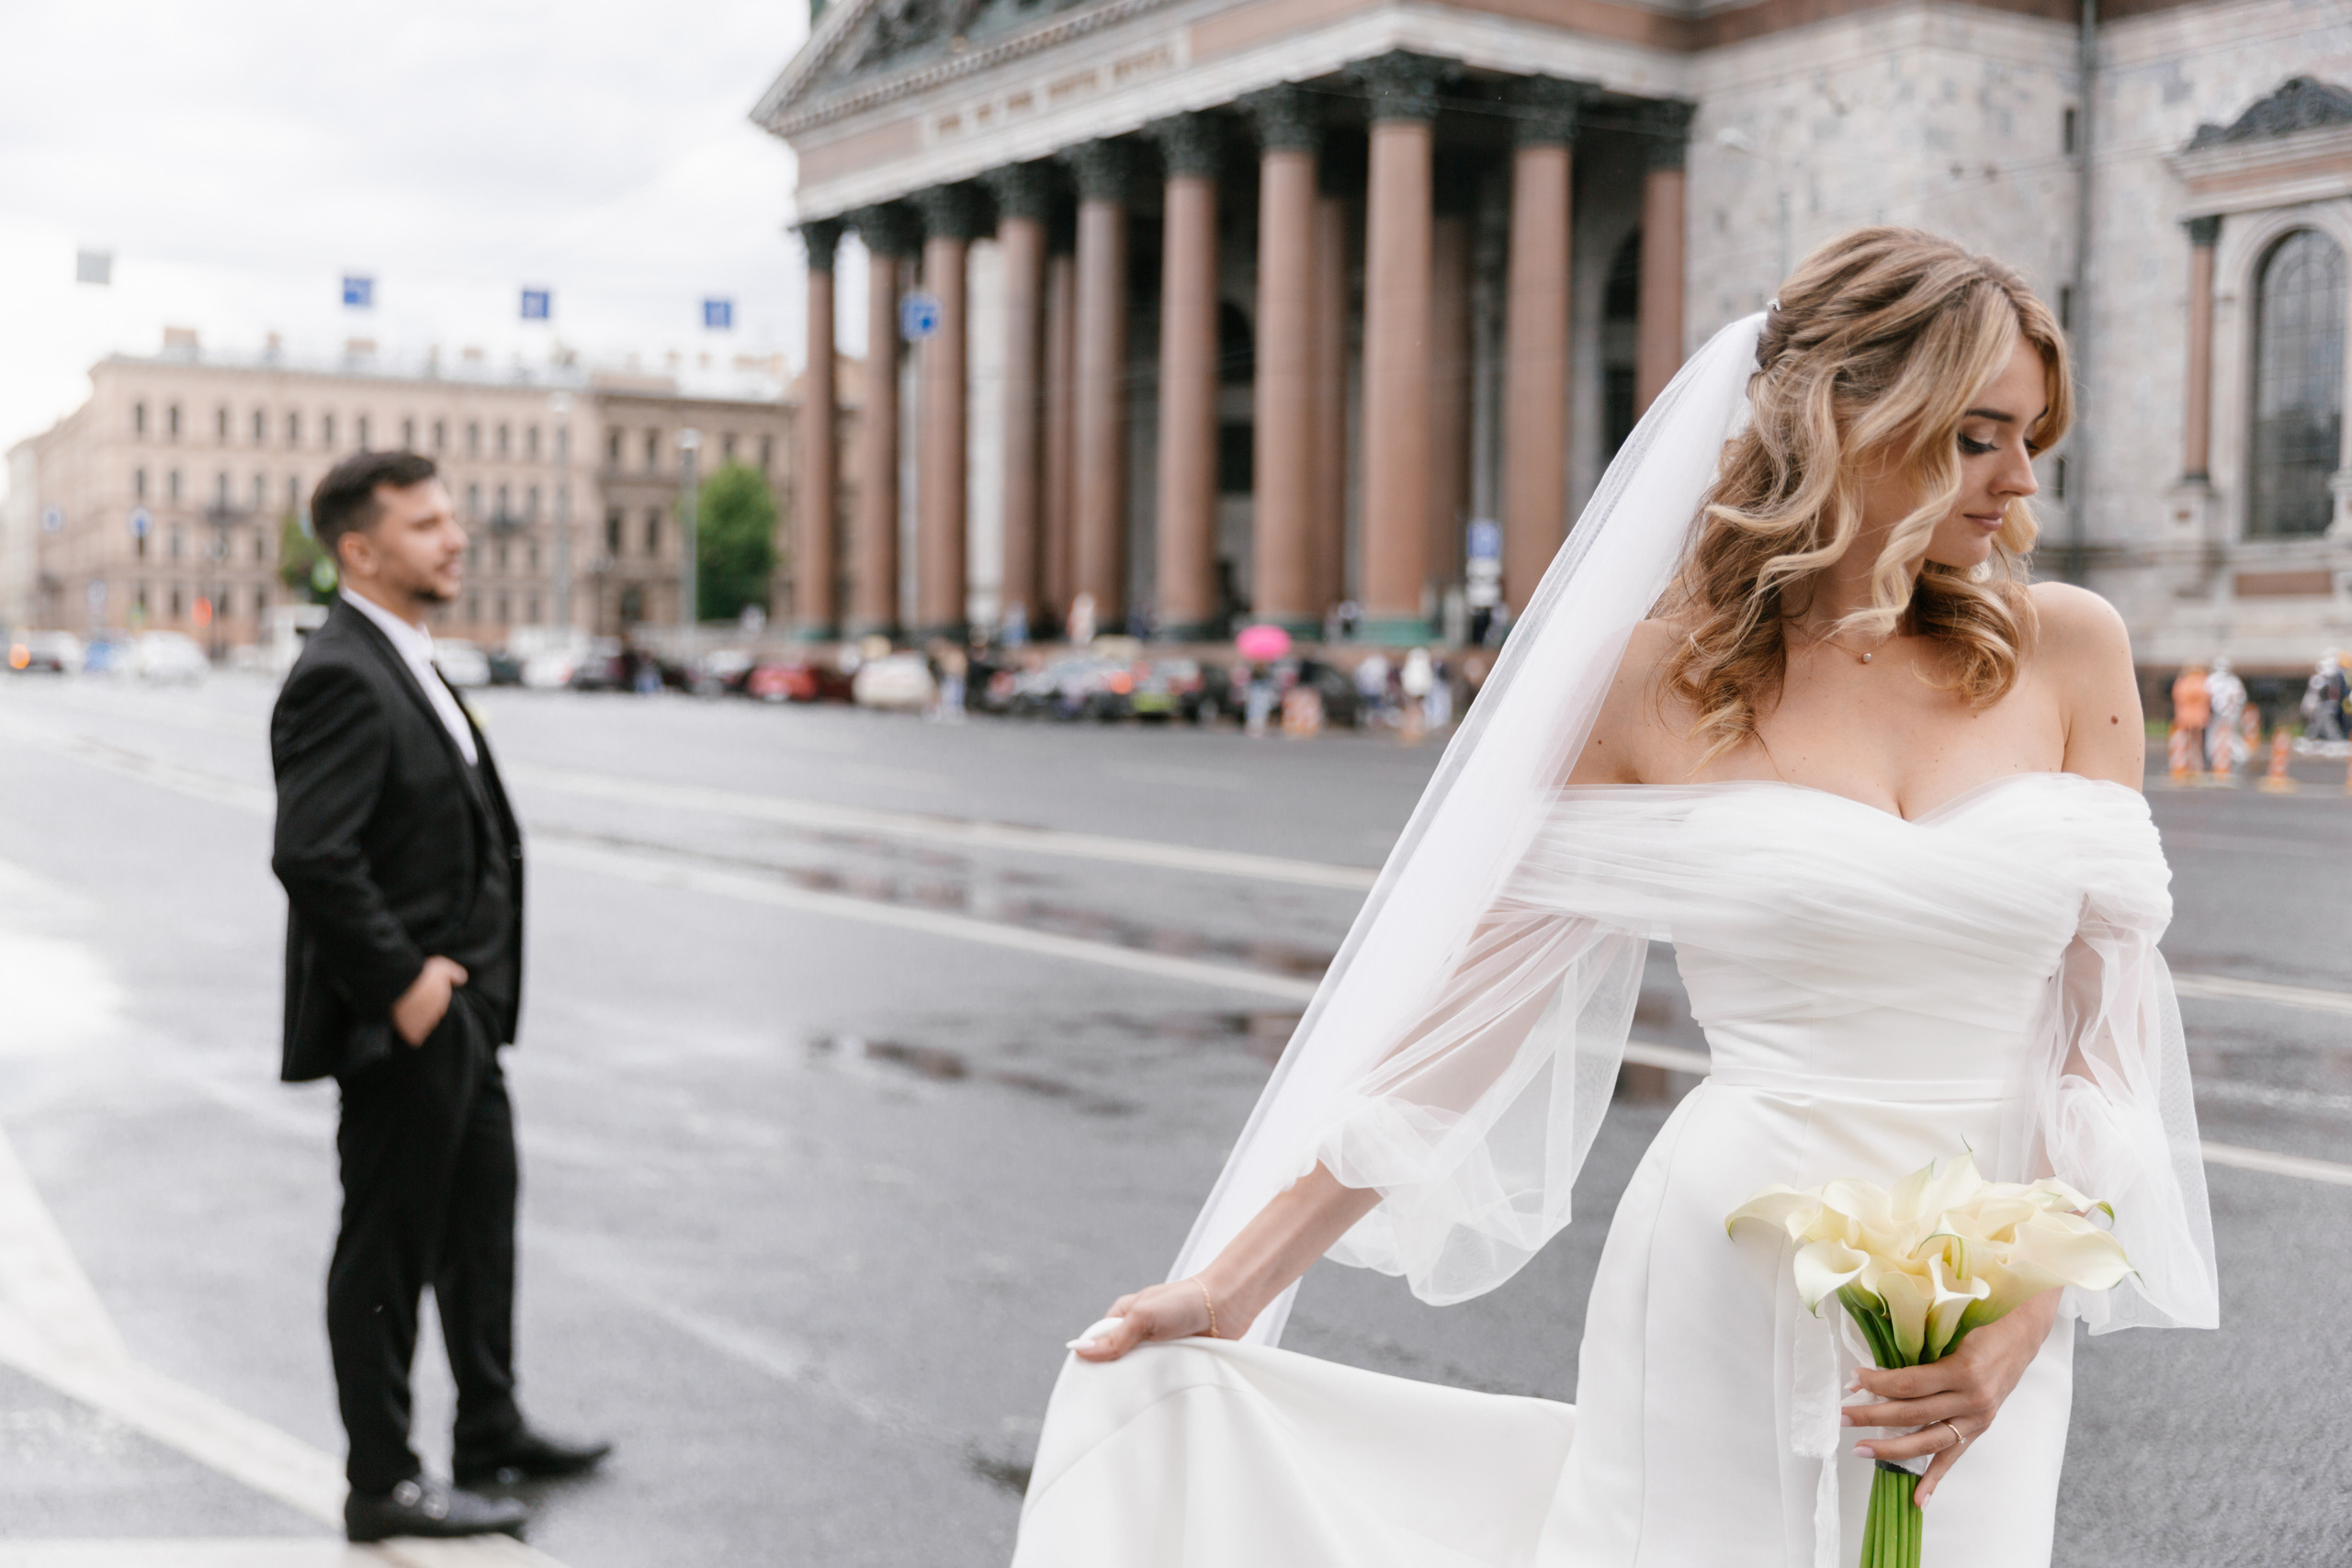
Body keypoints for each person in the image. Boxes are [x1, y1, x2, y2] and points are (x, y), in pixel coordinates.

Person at [1017, 231, 2217, 1567]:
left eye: (2030, 435)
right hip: (1728, 1260)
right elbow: (1466, 1021)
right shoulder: (1651, 682)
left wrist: (2026, 1312)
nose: (2022, 479)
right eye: (1981, 436)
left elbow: (2107, 1036)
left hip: (1990, 1284)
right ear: (1851, 417)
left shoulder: (2071, 647)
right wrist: (1232, 1282)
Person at [270, 452, 610, 1543]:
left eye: (452, 519)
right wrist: (406, 986)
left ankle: (491, 1429)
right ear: (360, 551)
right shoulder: (340, 671)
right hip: (406, 1022)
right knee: (386, 1252)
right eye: (427, 526)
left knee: (480, 1227)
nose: (455, 539)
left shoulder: (405, 656)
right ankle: (383, 1479)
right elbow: (313, 855)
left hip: (461, 1021)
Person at [2203, 655, 2248, 777]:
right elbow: (2240, 698)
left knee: (2214, 738)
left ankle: (2217, 760)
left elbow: (2207, 697)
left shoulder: (2211, 680)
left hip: (2218, 715)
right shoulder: (2233, 681)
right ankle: (2235, 757)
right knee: (2229, 737)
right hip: (2229, 714)